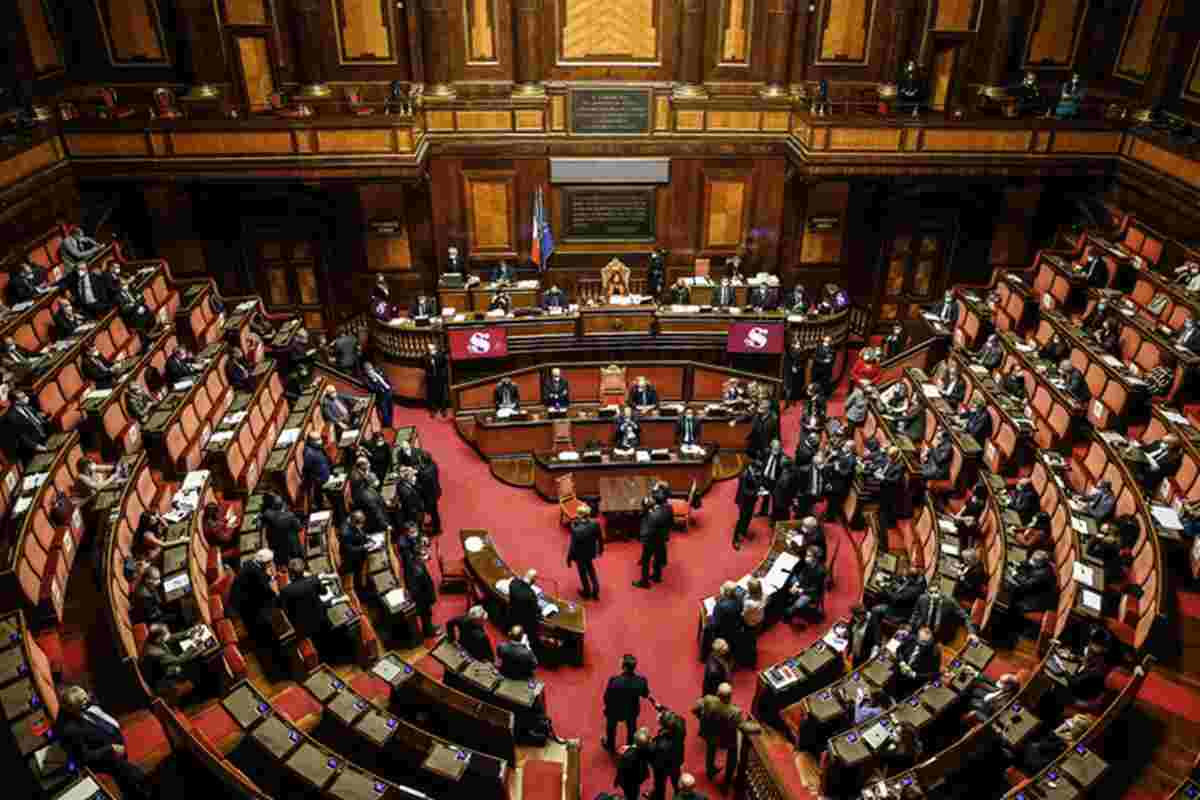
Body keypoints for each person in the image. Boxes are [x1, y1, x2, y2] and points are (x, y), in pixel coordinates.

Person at [56, 685, 153, 800]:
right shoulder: (71, 730)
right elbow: (85, 757)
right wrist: (110, 749)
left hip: (115, 751)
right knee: (134, 775)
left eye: (86, 699)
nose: (87, 703)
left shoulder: (84, 707)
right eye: (82, 704)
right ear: (72, 708)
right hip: (103, 759)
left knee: (127, 781)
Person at [693, 683, 752, 786]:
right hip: (726, 740)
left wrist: (703, 721)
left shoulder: (708, 699)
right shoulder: (735, 712)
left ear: (717, 693)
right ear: (730, 696)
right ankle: (727, 778)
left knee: (710, 750)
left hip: (710, 734)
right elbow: (742, 727)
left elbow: (695, 709)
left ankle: (710, 770)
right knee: (733, 753)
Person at [230, 549, 280, 643]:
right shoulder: (257, 574)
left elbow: (262, 579)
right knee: (271, 606)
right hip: (243, 607)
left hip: (240, 598)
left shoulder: (250, 563)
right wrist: (273, 578)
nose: (272, 564)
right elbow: (270, 592)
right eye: (270, 562)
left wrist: (269, 576)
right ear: (266, 563)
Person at [603, 654, 651, 751]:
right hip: (631, 710)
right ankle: (630, 747)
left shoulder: (614, 680)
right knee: (632, 728)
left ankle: (610, 745)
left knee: (611, 727)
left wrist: (607, 708)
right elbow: (645, 694)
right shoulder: (641, 681)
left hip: (615, 710)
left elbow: (607, 697)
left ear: (624, 667)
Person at [1021, 714, 1095, 775]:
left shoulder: (1063, 741)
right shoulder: (1075, 722)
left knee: (1030, 746)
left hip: (1039, 764)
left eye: (1067, 725)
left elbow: (1041, 746)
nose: (1064, 724)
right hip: (1040, 757)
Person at [909, 586, 978, 641]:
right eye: (931, 593)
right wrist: (910, 626)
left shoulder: (950, 601)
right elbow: (915, 614)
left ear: (940, 591)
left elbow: (965, 617)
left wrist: (972, 633)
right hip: (922, 631)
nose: (934, 595)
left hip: (940, 636)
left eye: (936, 592)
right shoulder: (923, 599)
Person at [278, 558, 325, 640]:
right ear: (303, 570)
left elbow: (283, 608)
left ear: (290, 573)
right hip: (321, 620)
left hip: (303, 627)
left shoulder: (285, 590)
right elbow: (324, 592)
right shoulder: (314, 579)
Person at [141, 623, 192, 696]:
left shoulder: (151, 640)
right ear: (158, 638)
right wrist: (193, 647)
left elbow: (170, 638)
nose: (169, 634)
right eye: (166, 633)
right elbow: (179, 660)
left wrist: (188, 632)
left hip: (157, 669)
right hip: (159, 681)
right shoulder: (156, 653)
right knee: (189, 668)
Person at [634, 492, 672, 587]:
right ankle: (657, 577)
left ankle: (644, 582)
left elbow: (647, 528)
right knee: (657, 558)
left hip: (650, 540)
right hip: (662, 538)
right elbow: (670, 523)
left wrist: (646, 509)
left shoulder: (652, 515)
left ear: (655, 501)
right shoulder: (668, 508)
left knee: (645, 560)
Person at [567, 504, 603, 599]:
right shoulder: (595, 523)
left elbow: (572, 545)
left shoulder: (575, 529)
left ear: (579, 515)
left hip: (579, 555)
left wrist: (569, 558)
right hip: (590, 552)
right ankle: (596, 590)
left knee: (583, 574)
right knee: (591, 570)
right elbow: (600, 538)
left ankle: (586, 592)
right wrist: (601, 549)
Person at [782, 546, 826, 625]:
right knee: (791, 580)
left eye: (809, 556)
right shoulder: (809, 564)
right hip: (805, 585)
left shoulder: (820, 571)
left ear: (815, 558)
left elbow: (815, 589)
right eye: (806, 555)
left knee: (795, 606)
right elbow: (802, 575)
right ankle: (790, 601)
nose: (806, 557)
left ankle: (789, 614)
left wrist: (800, 590)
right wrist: (796, 585)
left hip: (812, 593)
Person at [3, 389, 53, 459]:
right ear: (16, 402)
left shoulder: (26, 406)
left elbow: (35, 418)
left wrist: (43, 416)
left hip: (45, 437)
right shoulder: (12, 417)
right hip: (35, 447)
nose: (27, 398)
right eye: (23, 397)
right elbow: (23, 438)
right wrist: (39, 447)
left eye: (25, 395)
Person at [649, 709, 686, 800]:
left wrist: (650, 742)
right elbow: (676, 717)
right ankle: (679, 796)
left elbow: (653, 756)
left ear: (663, 726)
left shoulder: (661, 744)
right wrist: (661, 709)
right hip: (676, 761)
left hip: (662, 767)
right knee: (676, 781)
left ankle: (659, 797)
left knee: (660, 784)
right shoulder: (680, 726)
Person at [261, 493, 304, 567]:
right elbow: (299, 528)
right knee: (294, 564)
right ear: (283, 505)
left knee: (281, 565)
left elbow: (264, 514)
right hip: (292, 547)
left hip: (278, 547)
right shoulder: (290, 515)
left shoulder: (268, 516)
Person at [405, 550, 440, 638]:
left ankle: (429, 628)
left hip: (423, 594)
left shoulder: (415, 564)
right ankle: (429, 632)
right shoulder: (413, 567)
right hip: (422, 597)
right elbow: (415, 584)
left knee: (427, 614)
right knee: (425, 614)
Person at [896, 625, 940, 693]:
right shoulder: (912, 638)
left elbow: (933, 674)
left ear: (931, 638)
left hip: (914, 683)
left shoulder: (935, 652)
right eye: (919, 640)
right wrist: (902, 662)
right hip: (898, 672)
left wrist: (914, 675)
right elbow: (899, 650)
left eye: (924, 642)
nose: (920, 644)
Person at [508, 569, 542, 649]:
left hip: (512, 614)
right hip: (524, 621)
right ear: (533, 581)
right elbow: (535, 610)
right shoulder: (531, 594)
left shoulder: (513, 583)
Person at [614, 729, 651, 800]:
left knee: (631, 794)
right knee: (635, 792)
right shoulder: (647, 750)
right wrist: (630, 748)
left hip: (628, 782)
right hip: (637, 778)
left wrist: (618, 780)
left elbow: (621, 769)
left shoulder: (628, 756)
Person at [732, 460, 760, 551]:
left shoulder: (753, 473)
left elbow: (755, 483)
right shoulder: (744, 475)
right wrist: (756, 492)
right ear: (752, 467)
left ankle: (743, 532)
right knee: (742, 520)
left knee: (748, 517)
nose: (758, 472)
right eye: (756, 470)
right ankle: (735, 540)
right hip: (744, 501)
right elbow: (745, 490)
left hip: (751, 501)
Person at [739, 578, 766, 667]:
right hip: (759, 620)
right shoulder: (763, 595)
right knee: (753, 639)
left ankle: (751, 661)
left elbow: (743, 614)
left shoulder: (749, 603)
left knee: (749, 641)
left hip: (750, 623)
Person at [302, 432, 334, 509]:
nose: (320, 441)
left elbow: (325, 457)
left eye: (320, 438)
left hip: (326, 473)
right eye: (317, 439)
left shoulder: (318, 447)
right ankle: (322, 505)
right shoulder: (309, 454)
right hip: (320, 480)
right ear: (311, 441)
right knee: (321, 497)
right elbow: (307, 470)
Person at [757, 439, 787, 517]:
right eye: (774, 448)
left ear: (780, 448)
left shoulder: (783, 457)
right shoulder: (766, 452)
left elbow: (785, 471)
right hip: (765, 480)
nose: (775, 451)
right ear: (771, 447)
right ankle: (763, 512)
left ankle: (774, 515)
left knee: (775, 500)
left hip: (775, 482)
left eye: (777, 448)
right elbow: (760, 461)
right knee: (765, 497)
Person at [339, 510, 371, 582]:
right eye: (360, 524)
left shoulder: (352, 521)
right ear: (354, 522)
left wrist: (366, 537)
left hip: (358, 548)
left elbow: (359, 532)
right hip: (351, 558)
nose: (362, 525)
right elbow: (350, 549)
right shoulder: (345, 532)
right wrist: (364, 547)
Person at [424, 342, 450, 417]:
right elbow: (424, 365)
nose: (431, 350)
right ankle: (433, 410)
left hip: (440, 377)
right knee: (432, 395)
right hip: (431, 378)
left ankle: (443, 410)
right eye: (429, 349)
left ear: (435, 348)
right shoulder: (426, 356)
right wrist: (430, 359)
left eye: (432, 349)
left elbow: (444, 364)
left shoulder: (441, 355)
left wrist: (434, 358)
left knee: (443, 394)